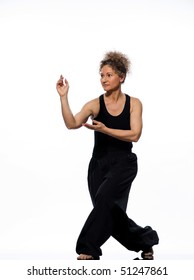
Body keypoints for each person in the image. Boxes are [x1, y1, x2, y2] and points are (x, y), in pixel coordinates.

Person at [56, 51, 159, 260]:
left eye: (109, 75)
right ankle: (146, 241)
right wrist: (64, 97)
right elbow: (72, 124)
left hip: (124, 163)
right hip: (98, 165)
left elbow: (135, 134)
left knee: (104, 202)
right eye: (101, 75)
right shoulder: (95, 104)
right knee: (110, 213)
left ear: (121, 77)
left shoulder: (134, 103)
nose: (104, 79)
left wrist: (105, 130)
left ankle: (88, 247)